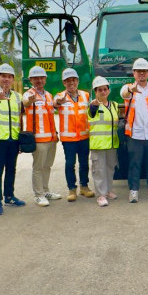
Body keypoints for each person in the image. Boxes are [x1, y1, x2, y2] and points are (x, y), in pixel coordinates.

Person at [0, 64, 26, 215]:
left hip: (13, 139)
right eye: (3, 76)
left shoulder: (17, 97)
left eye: (9, 76)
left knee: (11, 169)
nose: (6, 79)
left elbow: (20, 117)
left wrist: (20, 138)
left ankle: (9, 196)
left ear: (13, 79)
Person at [120, 58, 148, 202]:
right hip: (134, 133)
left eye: (144, 71)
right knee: (134, 164)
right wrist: (131, 89)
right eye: (139, 71)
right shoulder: (128, 87)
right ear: (134, 73)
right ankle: (133, 191)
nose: (141, 74)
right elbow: (124, 94)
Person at [23, 65, 61, 207]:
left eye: (41, 77)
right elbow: (26, 102)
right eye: (35, 78)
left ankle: (45, 191)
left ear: (45, 79)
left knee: (47, 166)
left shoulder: (49, 95)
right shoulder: (29, 94)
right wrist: (30, 100)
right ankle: (38, 195)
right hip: (38, 139)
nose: (39, 80)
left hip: (51, 138)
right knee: (38, 167)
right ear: (31, 79)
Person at [54, 68, 95, 201]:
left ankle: (84, 187)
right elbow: (55, 104)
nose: (71, 83)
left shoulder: (86, 95)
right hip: (69, 138)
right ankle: (72, 189)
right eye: (67, 81)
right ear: (63, 83)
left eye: (73, 80)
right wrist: (59, 102)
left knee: (84, 163)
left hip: (84, 136)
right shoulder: (60, 96)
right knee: (69, 163)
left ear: (77, 81)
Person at [88, 76, 120, 207]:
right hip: (99, 144)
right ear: (95, 92)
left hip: (112, 143)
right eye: (99, 90)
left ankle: (108, 191)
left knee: (109, 168)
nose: (102, 92)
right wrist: (93, 106)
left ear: (108, 90)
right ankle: (101, 195)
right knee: (99, 170)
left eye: (105, 89)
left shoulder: (114, 105)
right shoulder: (93, 106)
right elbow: (91, 113)